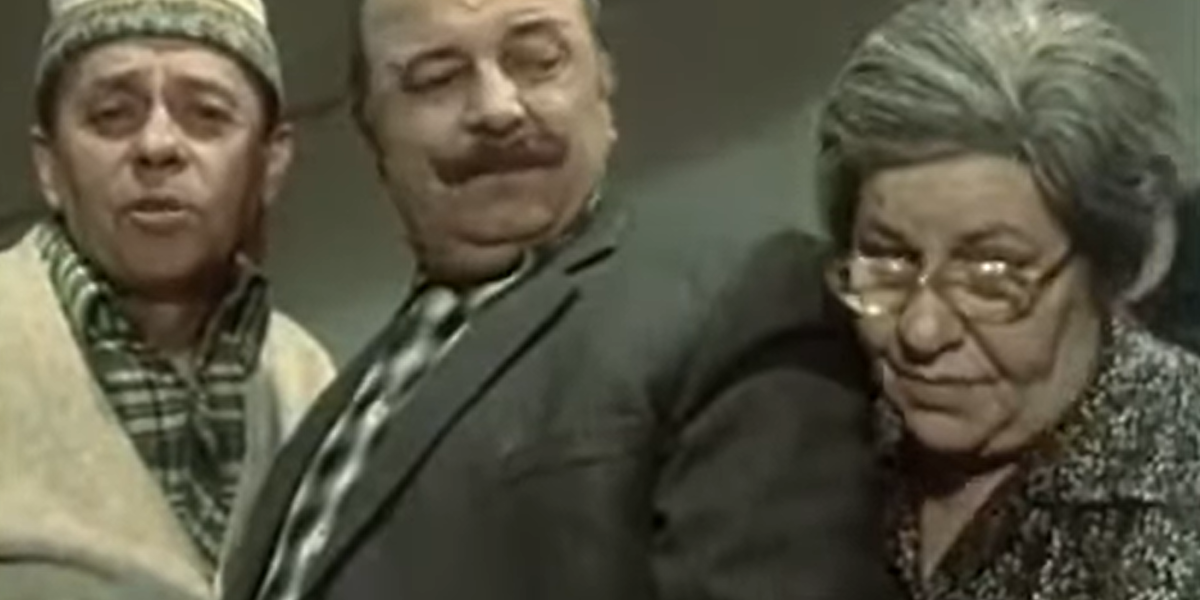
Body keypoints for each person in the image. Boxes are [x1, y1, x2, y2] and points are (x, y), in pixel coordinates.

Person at [220, 0, 893, 599]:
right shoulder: (336, 398)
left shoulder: (742, 295)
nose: (497, 108)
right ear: (372, 129)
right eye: (436, 79)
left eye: (538, 59)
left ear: (604, 85)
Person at [817, 0, 1200, 597]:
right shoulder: (813, 412)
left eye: (991, 274)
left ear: (1112, 270)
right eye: (890, 261)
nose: (920, 331)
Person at [0, 0, 336, 598]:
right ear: (49, 167)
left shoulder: (309, 383)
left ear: (270, 165)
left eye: (207, 115)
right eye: (112, 115)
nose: (157, 145)